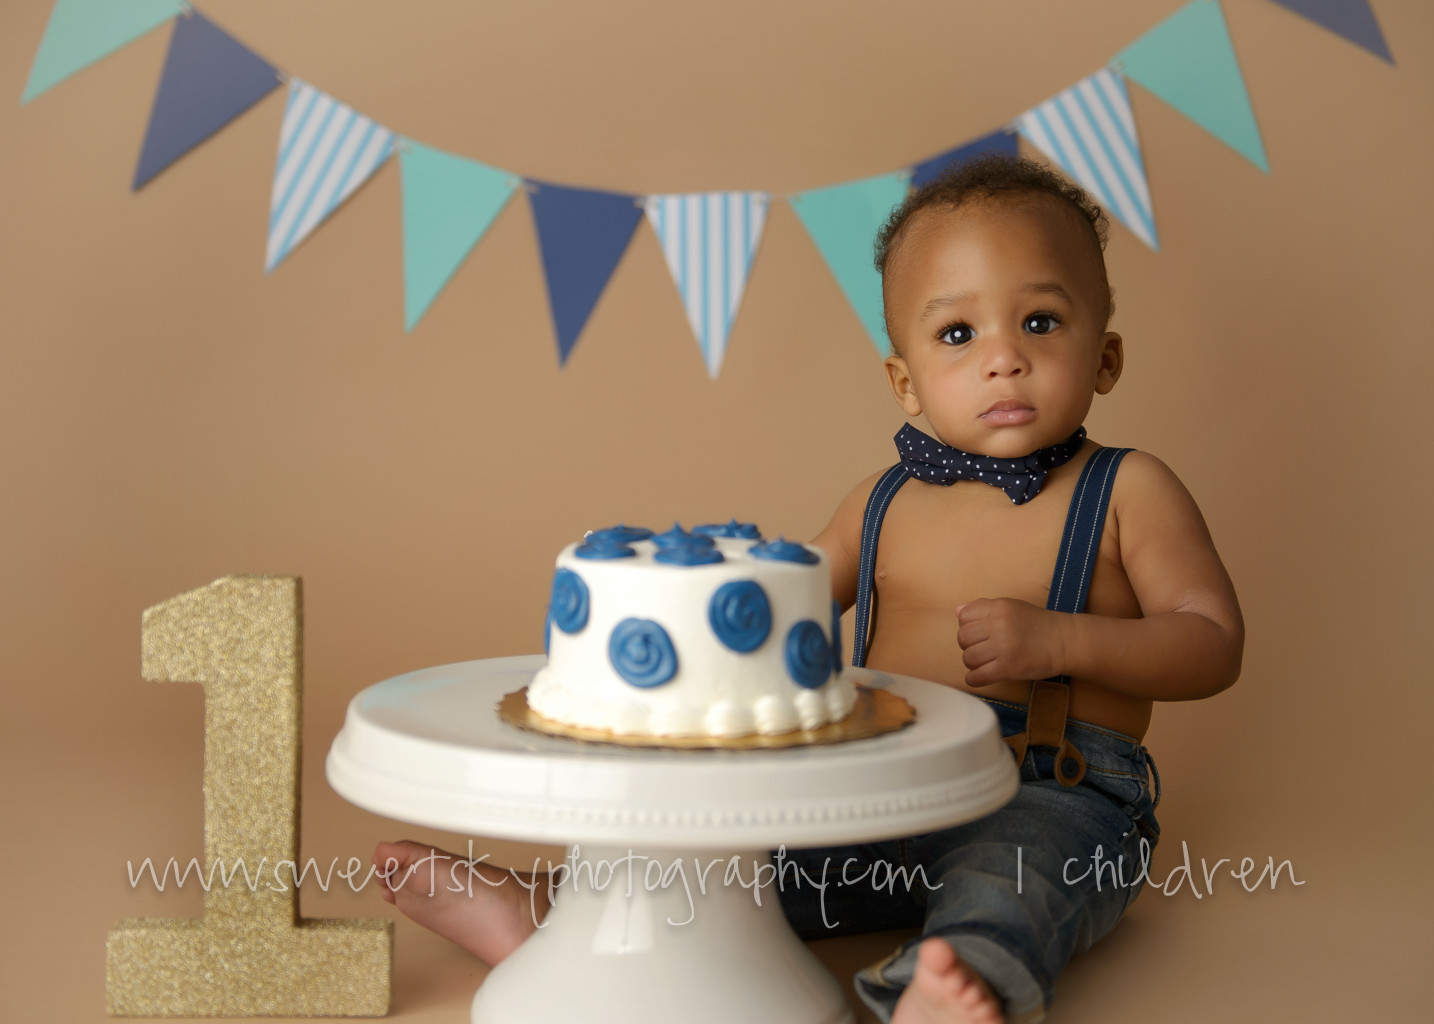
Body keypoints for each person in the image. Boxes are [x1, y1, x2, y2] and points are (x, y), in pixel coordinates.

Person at [373, 154, 1243, 1023]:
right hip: (878, 784)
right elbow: (778, 603)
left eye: (1042, 322)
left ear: (1107, 356)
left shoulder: (1129, 489)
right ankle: (556, 913)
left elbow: (1210, 640)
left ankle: (958, 981)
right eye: (957, 335)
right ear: (905, 382)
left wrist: (1064, 641)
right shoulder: (880, 501)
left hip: (1053, 786)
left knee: (1014, 879)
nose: (1004, 360)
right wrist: (695, 593)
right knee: (734, 856)